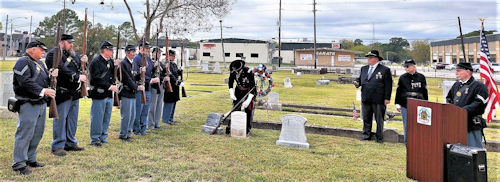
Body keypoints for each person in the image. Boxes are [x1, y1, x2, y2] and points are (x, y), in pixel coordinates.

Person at [12, 40, 57, 175]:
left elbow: (43, 80)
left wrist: (52, 76)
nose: (43, 52)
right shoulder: (22, 62)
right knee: (24, 134)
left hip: (40, 103)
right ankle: (19, 163)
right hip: (28, 102)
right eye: (41, 49)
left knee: (37, 133)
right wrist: (43, 91)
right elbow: (25, 82)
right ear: (31, 49)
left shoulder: (40, 63)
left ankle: (30, 159)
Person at [45, 34, 87, 156]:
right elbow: (62, 70)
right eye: (69, 42)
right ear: (62, 42)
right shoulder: (53, 54)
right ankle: (58, 145)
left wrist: (84, 61)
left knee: (72, 120)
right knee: (60, 120)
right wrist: (77, 77)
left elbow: (79, 68)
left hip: (74, 92)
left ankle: (70, 142)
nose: (71, 44)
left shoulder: (72, 55)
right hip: (62, 92)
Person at [353, 50, 393, 143]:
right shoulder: (364, 68)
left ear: (376, 59)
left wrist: (387, 98)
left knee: (379, 119)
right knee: (366, 118)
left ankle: (379, 137)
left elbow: (388, 85)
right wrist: (357, 83)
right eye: (368, 58)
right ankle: (366, 135)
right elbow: (360, 80)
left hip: (379, 99)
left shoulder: (384, 69)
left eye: (371, 57)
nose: (369, 59)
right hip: (366, 97)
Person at [446, 62, 488, 148]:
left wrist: (461, 112)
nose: (456, 73)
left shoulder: (479, 86)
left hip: (471, 125)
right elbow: (449, 98)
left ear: (468, 72)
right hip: (456, 123)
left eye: (459, 71)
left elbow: (478, 104)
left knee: (473, 150)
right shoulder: (456, 84)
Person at [88, 40, 119, 147]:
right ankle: (95, 138)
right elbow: (95, 79)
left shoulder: (110, 61)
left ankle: (103, 136)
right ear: (105, 50)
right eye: (111, 50)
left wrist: (116, 67)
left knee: (106, 117)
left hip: (108, 94)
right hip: (99, 94)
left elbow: (113, 76)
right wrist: (109, 86)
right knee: (97, 117)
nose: (112, 52)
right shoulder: (96, 61)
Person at [394, 59, 428, 144]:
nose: (406, 68)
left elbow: (424, 91)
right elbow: (398, 91)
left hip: (419, 104)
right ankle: (407, 143)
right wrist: (397, 103)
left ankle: (419, 142)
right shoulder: (402, 77)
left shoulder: (421, 77)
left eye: (408, 66)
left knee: (420, 125)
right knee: (407, 126)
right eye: (405, 67)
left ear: (413, 66)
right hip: (405, 104)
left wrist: (426, 103)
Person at [118, 45, 144, 142]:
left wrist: (140, 73)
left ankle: (128, 133)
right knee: (126, 115)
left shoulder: (132, 63)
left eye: (134, 52)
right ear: (127, 53)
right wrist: (136, 87)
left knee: (132, 115)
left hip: (132, 92)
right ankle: (123, 135)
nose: (133, 54)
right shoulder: (124, 63)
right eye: (132, 52)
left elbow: (133, 76)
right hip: (126, 92)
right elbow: (127, 79)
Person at [226, 59, 256, 136]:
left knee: (248, 110)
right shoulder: (233, 71)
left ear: (241, 69)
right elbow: (230, 83)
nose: (237, 73)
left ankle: (247, 129)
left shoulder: (248, 72)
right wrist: (231, 93)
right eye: (236, 72)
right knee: (235, 108)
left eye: (238, 71)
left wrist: (248, 100)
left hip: (249, 91)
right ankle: (231, 127)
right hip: (238, 91)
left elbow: (253, 86)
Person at [133, 41, 154, 135]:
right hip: (140, 87)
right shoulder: (137, 59)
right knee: (139, 110)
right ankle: (136, 129)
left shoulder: (148, 59)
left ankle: (143, 128)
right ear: (141, 48)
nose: (148, 50)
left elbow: (151, 71)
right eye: (146, 49)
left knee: (145, 109)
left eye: (148, 49)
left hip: (147, 88)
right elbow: (135, 74)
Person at [163, 50, 183, 125]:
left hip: (175, 86)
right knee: (169, 103)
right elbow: (170, 74)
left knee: (174, 102)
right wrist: (176, 80)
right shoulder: (166, 64)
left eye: (174, 56)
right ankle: (166, 119)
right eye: (172, 56)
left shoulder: (173, 64)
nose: (174, 57)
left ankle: (171, 118)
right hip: (170, 85)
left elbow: (175, 72)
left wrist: (180, 71)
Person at [148, 47, 165, 129]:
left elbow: (164, 73)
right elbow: (149, 73)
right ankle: (150, 124)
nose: (159, 55)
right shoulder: (150, 62)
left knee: (159, 105)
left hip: (161, 85)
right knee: (152, 106)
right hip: (154, 86)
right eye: (157, 53)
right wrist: (154, 67)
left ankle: (156, 123)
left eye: (160, 53)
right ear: (153, 53)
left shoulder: (161, 63)